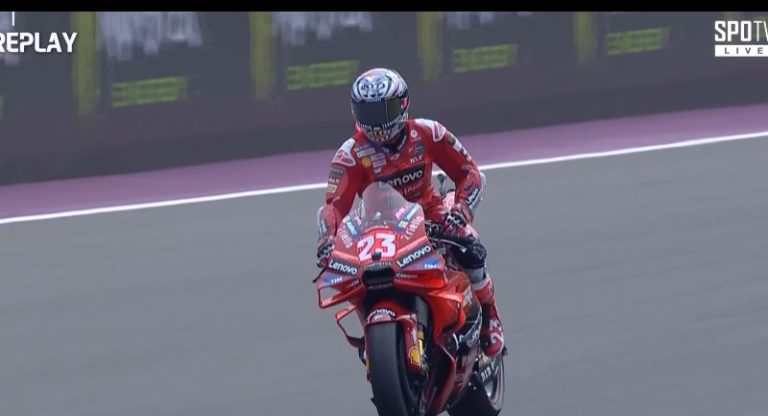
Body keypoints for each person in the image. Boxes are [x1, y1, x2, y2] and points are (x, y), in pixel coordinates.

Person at [315, 68, 505, 357]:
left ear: (403, 104)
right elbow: (333, 206)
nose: (378, 121)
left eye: (385, 109)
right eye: (369, 112)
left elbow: (469, 173)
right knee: (353, 277)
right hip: (378, 230)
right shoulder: (349, 155)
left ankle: (490, 315)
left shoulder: (429, 133)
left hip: (432, 218)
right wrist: (327, 240)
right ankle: (373, 334)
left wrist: (461, 212)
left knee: (470, 247)